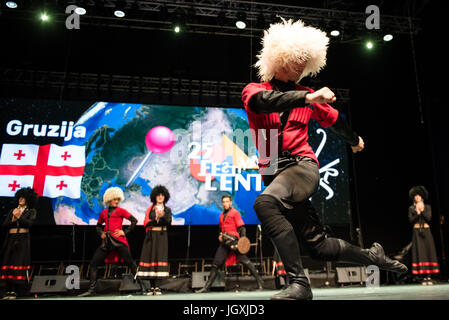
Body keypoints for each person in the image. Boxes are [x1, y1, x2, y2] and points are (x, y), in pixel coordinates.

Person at [241, 18, 407, 300]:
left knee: (264, 203)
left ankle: (300, 284)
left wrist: (354, 140)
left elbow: (336, 120)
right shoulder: (255, 90)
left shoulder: (309, 95)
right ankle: (374, 256)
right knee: (317, 246)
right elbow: (263, 103)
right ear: (279, 57)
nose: (301, 66)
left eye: (305, 62)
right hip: (272, 171)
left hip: (301, 167)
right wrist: (308, 100)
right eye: (296, 59)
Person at [79, 187, 139, 297]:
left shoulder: (121, 211)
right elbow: (98, 226)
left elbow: (134, 221)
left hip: (119, 241)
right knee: (93, 263)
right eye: (115, 199)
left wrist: (124, 232)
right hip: (106, 242)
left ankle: (143, 287)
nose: (117, 201)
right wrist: (101, 233)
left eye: (118, 199)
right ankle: (91, 290)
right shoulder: (104, 212)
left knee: (130, 263)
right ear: (109, 199)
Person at [196, 195, 264, 293]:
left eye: (227, 201)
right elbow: (220, 229)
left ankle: (260, 283)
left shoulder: (235, 213)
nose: (225, 203)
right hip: (224, 243)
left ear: (231, 202)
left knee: (245, 262)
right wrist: (220, 235)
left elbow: (242, 228)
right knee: (216, 264)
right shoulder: (221, 215)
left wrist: (242, 242)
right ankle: (206, 287)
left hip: (234, 241)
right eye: (223, 202)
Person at [0, 187, 38, 300]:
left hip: (22, 240)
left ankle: (18, 291)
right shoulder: (12, 211)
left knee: (19, 262)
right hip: (11, 239)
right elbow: (4, 225)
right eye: (20, 197)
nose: (21, 199)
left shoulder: (31, 211)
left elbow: (29, 224)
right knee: (8, 262)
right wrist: (12, 219)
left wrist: (19, 217)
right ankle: (7, 290)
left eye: (23, 198)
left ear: (28, 199)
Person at [136, 185, 172, 296]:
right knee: (150, 258)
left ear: (165, 197)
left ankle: (157, 287)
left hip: (161, 236)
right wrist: (155, 219)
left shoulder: (167, 210)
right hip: (151, 236)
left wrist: (162, 217)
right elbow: (146, 222)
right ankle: (151, 287)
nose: (160, 197)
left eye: (162, 195)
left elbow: (168, 222)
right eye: (158, 195)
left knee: (159, 258)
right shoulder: (150, 209)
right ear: (154, 197)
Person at [408, 186, 439, 285]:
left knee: (428, 251)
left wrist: (422, 211)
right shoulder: (411, 208)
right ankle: (422, 277)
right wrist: (417, 213)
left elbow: (428, 218)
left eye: (419, 196)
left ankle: (429, 276)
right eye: (415, 196)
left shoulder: (427, 207)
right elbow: (411, 220)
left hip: (426, 231)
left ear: (422, 197)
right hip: (417, 232)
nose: (417, 197)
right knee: (420, 253)